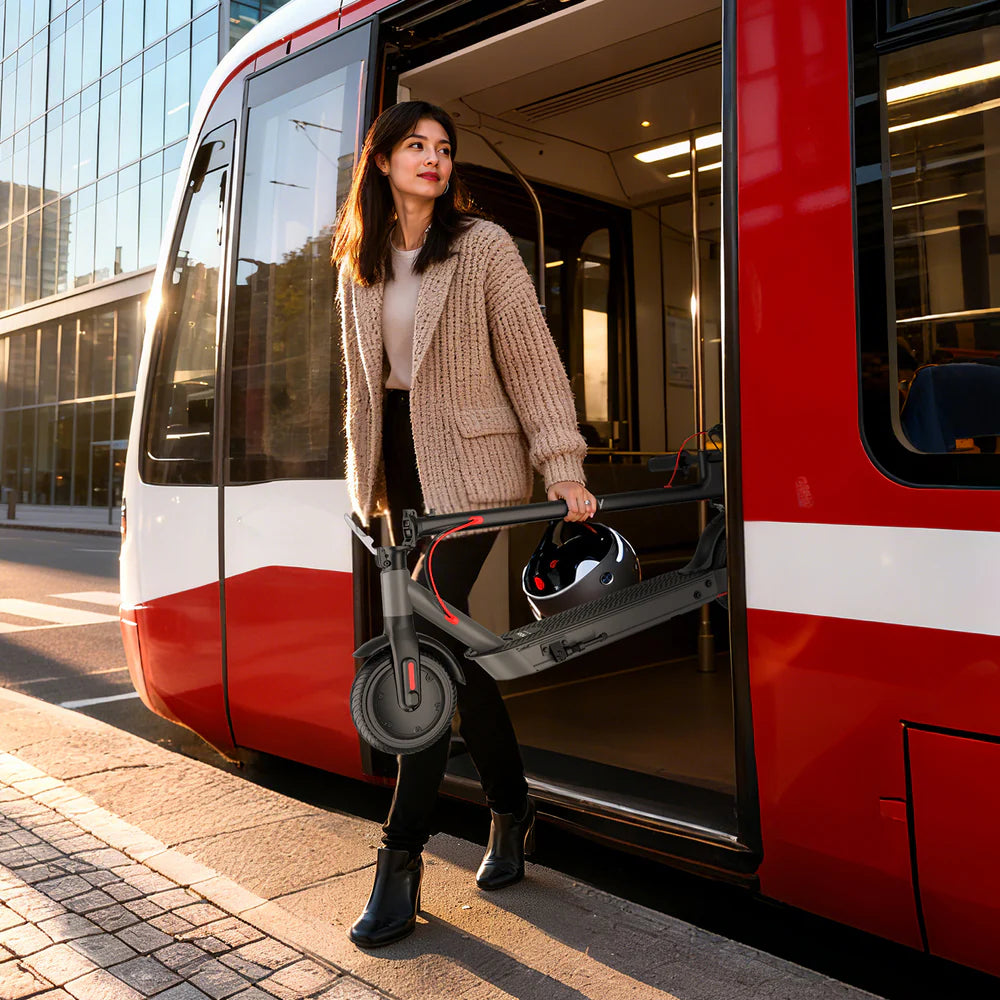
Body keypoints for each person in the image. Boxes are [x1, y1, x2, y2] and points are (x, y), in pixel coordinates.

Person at [331, 100, 595, 949]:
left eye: (444, 148)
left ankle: (399, 865)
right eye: (416, 145)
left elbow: (533, 360)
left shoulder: (480, 248)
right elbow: (362, 390)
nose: (433, 159)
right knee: (459, 657)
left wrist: (563, 467)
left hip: (474, 470)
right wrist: (361, 485)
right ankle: (514, 813)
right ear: (381, 161)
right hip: (399, 476)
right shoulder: (358, 263)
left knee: (419, 657)